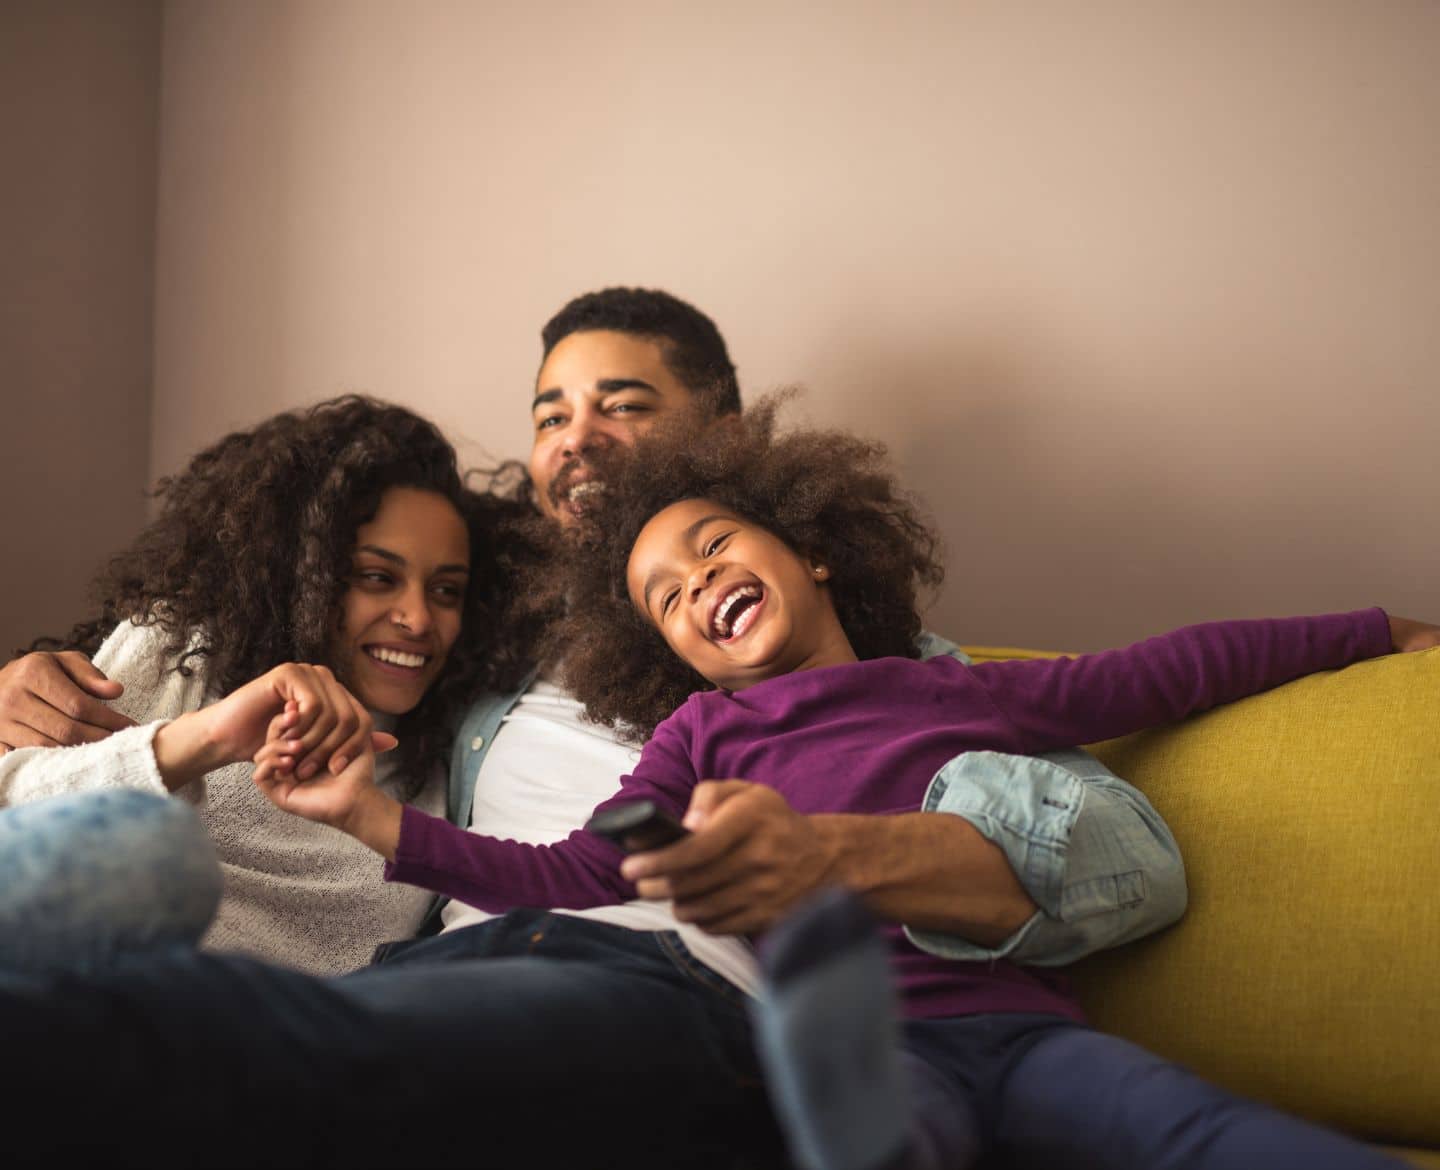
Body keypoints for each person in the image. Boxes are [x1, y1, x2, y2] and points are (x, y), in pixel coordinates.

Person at [0, 290, 1191, 1168]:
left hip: (671, 988)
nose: (576, 436)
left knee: (275, 1051)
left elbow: (1127, 865)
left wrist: (829, 854)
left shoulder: (848, 668)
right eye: (551, 413)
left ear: (722, 442)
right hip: (449, 974)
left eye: (624, 405)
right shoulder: (463, 657)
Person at [254, 398, 1423, 1169]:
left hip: (1019, 1032)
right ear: (671, 655)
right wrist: (374, 820)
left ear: (810, 548)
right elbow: (567, 871)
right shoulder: (703, 738)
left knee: (1201, 1131)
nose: (698, 584)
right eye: (667, 598)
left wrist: (1375, 629)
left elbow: (1176, 668)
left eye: (713, 548)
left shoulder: (952, 689)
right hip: (866, 1050)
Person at [0, 394, 518, 975]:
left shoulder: (433, 772)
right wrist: (209, 739)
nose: (419, 619)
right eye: (377, 578)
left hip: (236, 1041)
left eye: (446, 590)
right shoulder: (184, 651)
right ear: (306, 573)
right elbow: (13, 804)